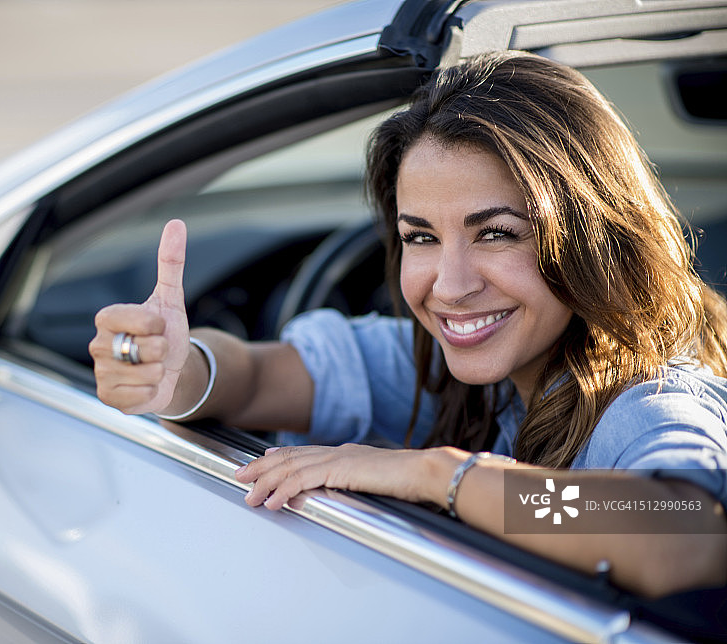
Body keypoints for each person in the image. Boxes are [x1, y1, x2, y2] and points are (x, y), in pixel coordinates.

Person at [89, 51, 727, 598]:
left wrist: (436, 475)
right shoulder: (441, 367)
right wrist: (173, 372)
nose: (449, 286)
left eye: (497, 234)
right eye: (421, 237)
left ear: (594, 238)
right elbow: (253, 378)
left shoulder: (650, 404)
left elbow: (681, 532)